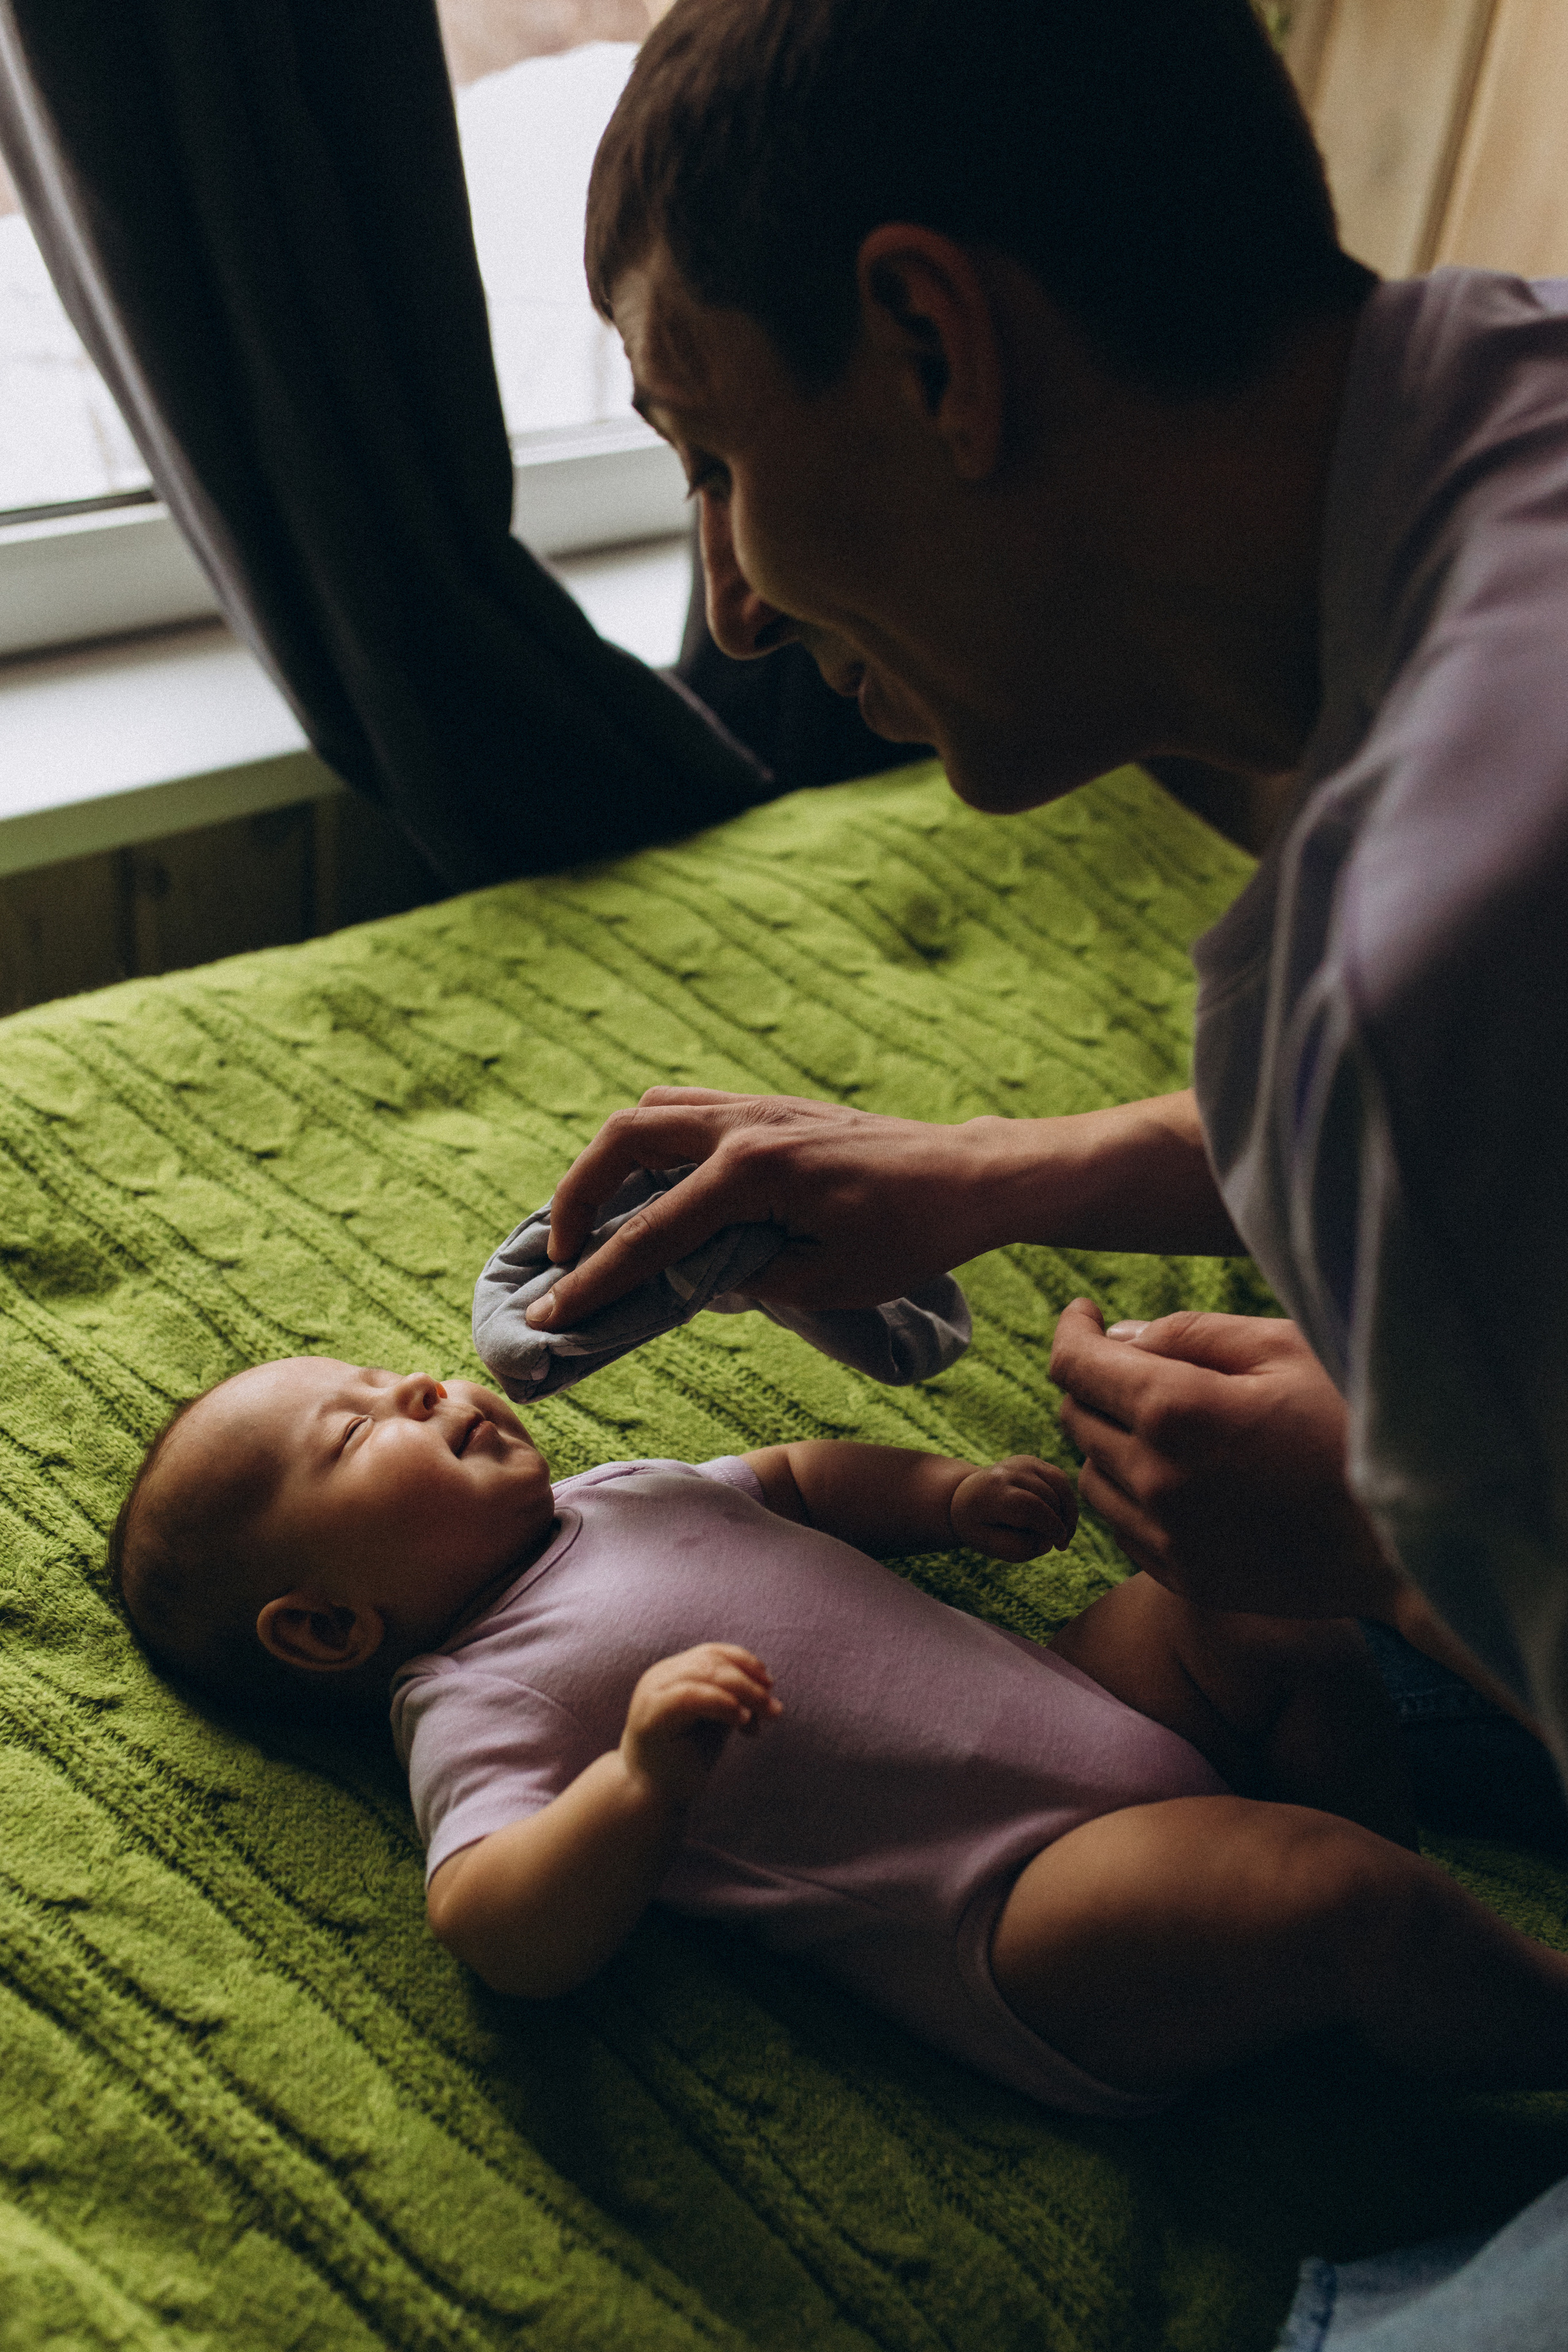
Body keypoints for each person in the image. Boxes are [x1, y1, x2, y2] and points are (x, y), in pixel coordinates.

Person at [510, 0, 1568, 2337]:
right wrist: (989, 1169)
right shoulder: (1509, 384)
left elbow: (1463, 1040)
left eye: (711, 456)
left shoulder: (1417, 957)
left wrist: (1405, 1547)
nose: (738, 604)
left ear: (930, 339)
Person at [109, 1355, 1568, 2122]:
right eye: (361, 1435)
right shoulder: (470, 1693)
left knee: (1250, 1610)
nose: (420, 1387)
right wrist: (634, 1783)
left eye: (387, 1372)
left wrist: (939, 1499)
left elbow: (798, 1484)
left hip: (1099, 1707)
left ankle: (1389, 1943)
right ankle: (1463, 1977)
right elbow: (493, 1925)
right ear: (322, 1630)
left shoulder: (621, 1489)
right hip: (1016, 1904)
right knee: (1314, 1892)